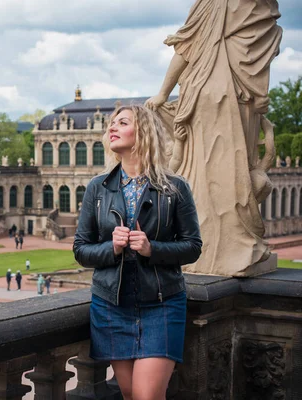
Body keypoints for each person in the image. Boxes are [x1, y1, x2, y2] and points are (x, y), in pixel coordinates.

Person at [73, 104, 202, 400]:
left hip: (161, 303)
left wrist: (151, 248)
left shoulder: (175, 188)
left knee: (146, 396)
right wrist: (112, 248)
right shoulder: (98, 188)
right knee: (131, 394)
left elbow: (193, 246)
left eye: (122, 122)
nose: (112, 128)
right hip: (111, 306)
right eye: (111, 124)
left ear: (142, 131)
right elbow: (81, 250)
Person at [145, 0, 281, 275]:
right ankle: (219, 245)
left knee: (210, 172)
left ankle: (209, 245)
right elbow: (190, 46)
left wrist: (163, 92)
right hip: (225, 96)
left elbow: (187, 47)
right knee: (224, 171)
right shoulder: (255, 7)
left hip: (216, 94)